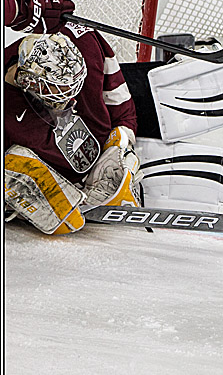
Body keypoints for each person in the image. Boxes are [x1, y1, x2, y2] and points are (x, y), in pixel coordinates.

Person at [4, 25, 141, 235]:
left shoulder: (84, 41)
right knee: (15, 164)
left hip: (86, 167)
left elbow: (118, 97)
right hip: (42, 172)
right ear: (29, 81)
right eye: (59, 90)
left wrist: (123, 136)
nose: (72, 97)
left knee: (120, 142)